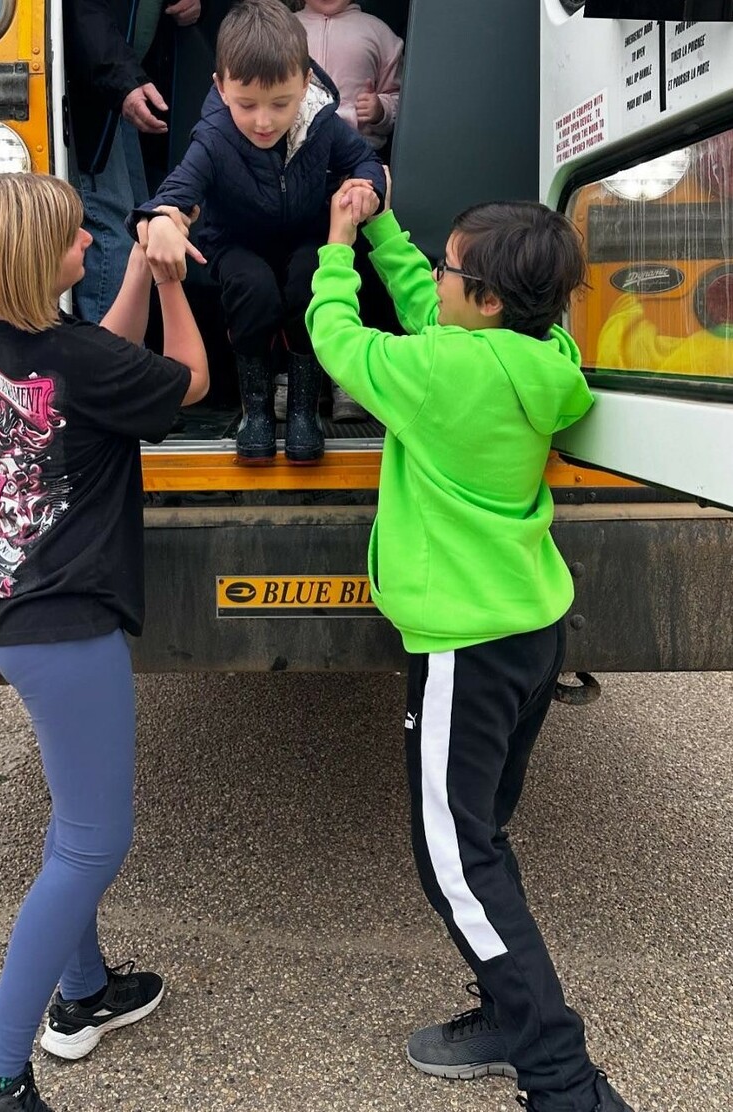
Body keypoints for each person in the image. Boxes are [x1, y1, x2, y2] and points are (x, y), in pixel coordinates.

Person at [305, 174, 635, 1112]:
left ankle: (563, 1080)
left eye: (450, 271)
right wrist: (392, 241)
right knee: (483, 833)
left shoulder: (437, 374)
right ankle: (502, 1009)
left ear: (485, 298)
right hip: (531, 629)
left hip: (465, 644)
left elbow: (339, 341)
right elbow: (431, 313)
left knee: (453, 860)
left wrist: (338, 246)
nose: (437, 282)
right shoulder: (547, 356)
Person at [0, 172, 208, 1112]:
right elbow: (185, 384)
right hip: (68, 622)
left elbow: (100, 359)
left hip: (18, 606)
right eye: (74, 234)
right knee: (94, 844)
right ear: (32, 263)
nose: (91, 238)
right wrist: (167, 280)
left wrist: (129, 273)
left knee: (74, 824)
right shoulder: (78, 361)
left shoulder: (7, 336)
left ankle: (82, 995)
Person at [129, 0, 386, 464]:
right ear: (221, 88)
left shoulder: (322, 121)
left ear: (305, 85)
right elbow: (176, 189)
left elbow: (363, 160)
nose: (263, 121)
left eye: (280, 104)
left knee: (312, 277)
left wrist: (368, 186)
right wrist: (163, 219)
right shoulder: (214, 135)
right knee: (253, 290)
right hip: (237, 242)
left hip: (304, 235)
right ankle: (258, 412)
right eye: (247, 104)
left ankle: (305, 411)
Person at [293, 0, 403, 421]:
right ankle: (299, 375)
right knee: (302, 266)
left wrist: (381, 109)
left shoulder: (376, 31)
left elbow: (403, 94)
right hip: (295, 166)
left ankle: (350, 381)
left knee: (358, 272)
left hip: (356, 168)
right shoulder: (286, 27)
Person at [64, 0, 202, 323]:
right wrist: (122, 79)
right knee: (112, 229)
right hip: (97, 91)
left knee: (138, 219)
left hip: (125, 85)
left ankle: (128, 357)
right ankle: (110, 362)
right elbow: (82, 13)